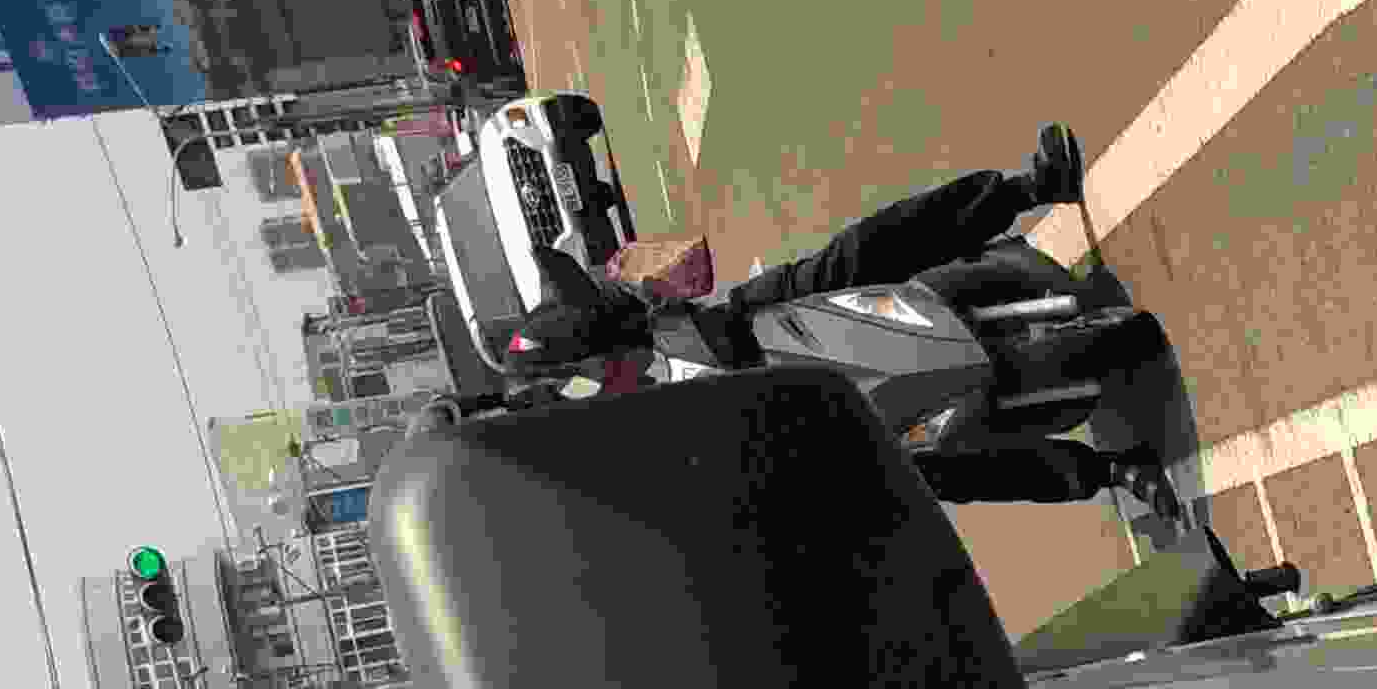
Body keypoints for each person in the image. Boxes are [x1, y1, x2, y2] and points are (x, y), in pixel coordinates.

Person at [494, 123, 1175, 515]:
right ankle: (1108, 472)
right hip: (781, 434)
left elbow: (601, 301)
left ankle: (1027, 189)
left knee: (858, 254)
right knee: (930, 475)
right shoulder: (594, 468)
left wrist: (636, 301)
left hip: (747, 329)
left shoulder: (552, 349)